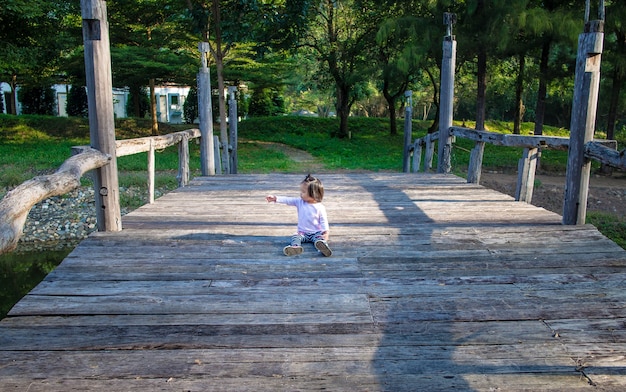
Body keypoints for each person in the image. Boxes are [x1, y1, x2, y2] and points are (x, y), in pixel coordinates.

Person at [266, 174, 332, 257]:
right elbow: (288, 200)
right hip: (302, 232)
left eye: (303, 192)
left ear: (313, 194)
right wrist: (275, 198)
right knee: (295, 236)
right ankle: (295, 247)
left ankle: (323, 247)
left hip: (316, 232)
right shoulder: (300, 202)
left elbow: (323, 220)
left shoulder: (320, 207)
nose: (301, 194)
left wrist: (326, 232)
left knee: (320, 239)